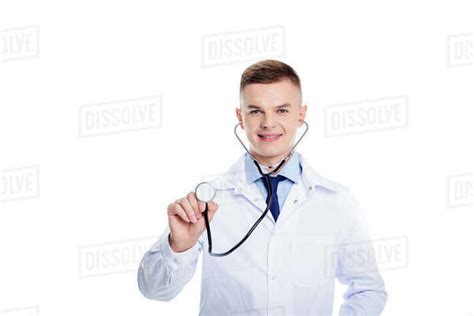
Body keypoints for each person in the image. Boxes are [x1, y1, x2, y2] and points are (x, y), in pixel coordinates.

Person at [137, 59, 387, 315]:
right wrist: (178, 247)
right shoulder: (207, 202)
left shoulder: (337, 201)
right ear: (240, 117)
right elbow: (153, 289)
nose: (268, 123)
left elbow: (368, 290)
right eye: (256, 111)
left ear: (301, 115)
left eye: (281, 110)